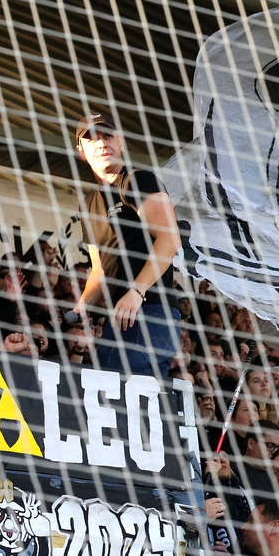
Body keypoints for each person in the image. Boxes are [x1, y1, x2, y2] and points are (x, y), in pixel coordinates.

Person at [72, 112, 182, 378]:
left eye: (107, 136)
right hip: (119, 317)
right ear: (81, 152)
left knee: (128, 402)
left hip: (149, 311)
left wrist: (137, 291)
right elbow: (99, 271)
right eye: (92, 139)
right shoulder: (88, 203)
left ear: (120, 141)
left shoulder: (138, 180)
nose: (101, 143)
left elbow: (169, 238)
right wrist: (81, 308)